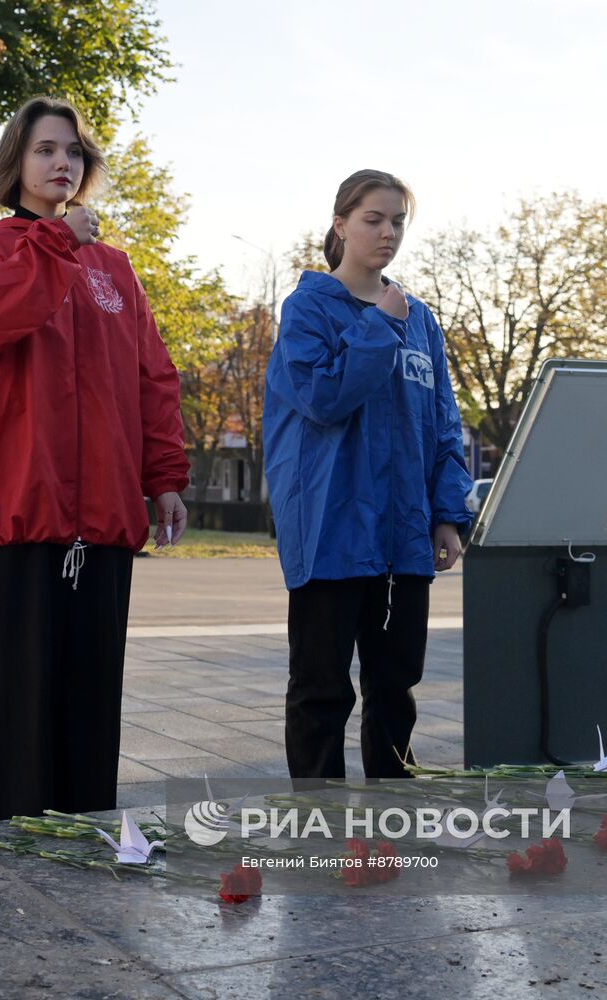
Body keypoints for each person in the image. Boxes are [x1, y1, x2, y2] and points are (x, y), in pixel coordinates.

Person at [0, 96, 188, 821]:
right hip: (18, 515)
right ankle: (24, 846)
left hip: (104, 519)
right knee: (23, 712)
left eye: (74, 152)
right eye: (46, 149)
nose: (62, 163)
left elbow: (152, 377)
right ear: (15, 163)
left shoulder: (114, 268)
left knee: (90, 707)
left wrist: (165, 478)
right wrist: (52, 244)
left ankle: (88, 836)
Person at [263, 169, 472, 783]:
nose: (387, 233)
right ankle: (318, 819)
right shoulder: (308, 310)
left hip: (403, 539)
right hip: (331, 532)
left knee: (395, 687)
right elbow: (324, 399)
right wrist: (379, 325)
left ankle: (392, 811)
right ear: (341, 224)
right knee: (322, 690)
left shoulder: (422, 320)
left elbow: (442, 425)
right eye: (373, 219)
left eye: (398, 221)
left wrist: (447, 515)